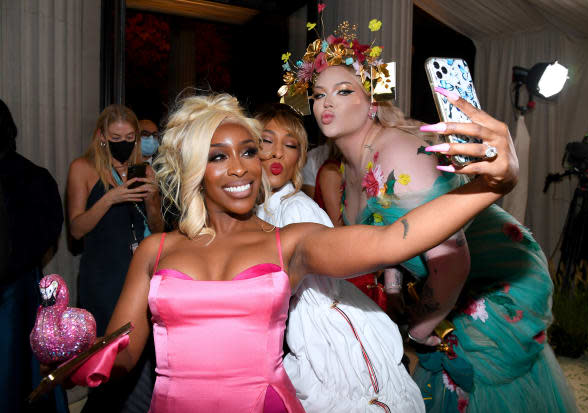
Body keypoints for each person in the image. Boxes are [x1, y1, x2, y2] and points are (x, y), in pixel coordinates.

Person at [66, 90, 518, 412]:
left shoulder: (290, 243)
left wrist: (491, 186)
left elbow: (389, 239)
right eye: (219, 156)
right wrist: (78, 356)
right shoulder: (154, 250)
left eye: (248, 151)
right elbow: (122, 356)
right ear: (193, 169)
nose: (241, 166)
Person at [281, 23, 577, 412]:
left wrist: (418, 329)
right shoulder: (343, 167)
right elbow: (390, 234)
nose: (325, 104)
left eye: (343, 91)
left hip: (492, 281)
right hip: (444, 289)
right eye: (319, 94)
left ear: (371, 99)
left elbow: (452, 261)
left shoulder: (397, 155)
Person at [255, 103, 424, 412]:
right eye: (267, 141)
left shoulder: (296, 207)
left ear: (299, 158)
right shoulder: (259, 210)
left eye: (290, 145)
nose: (278, 152)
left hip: (329, 328)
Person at [66, 104, 163, 412]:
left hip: (140, 276)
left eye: (131, 136)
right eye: (116, 136)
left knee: (141, 358)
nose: (125, 141)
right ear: (102, 136)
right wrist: (111, 198)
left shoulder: (144, 171)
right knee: (107, 360)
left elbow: (159, 229)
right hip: (103, 276)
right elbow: (77, 228)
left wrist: (151, 202)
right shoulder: (83, 168)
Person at [0, 99, 67, 412]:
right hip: (22, 283)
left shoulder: (32, 177)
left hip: (17, 292)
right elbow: (50, 231)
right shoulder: (37, 176)